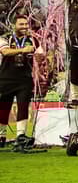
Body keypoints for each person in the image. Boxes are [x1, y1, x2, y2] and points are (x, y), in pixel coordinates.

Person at [0, 15, 44, 151]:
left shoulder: (33, 40)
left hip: (25, 79)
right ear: (14, 25)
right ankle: (1, 136)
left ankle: (21, 136)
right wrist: (22, 50)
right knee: (3, 107)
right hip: (6, 78)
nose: (25, 27)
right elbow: (5, 51)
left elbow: (41, 56)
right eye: (21, 24)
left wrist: (40, 57)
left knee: (23, 106)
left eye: (26, 24)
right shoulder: (5, 37)